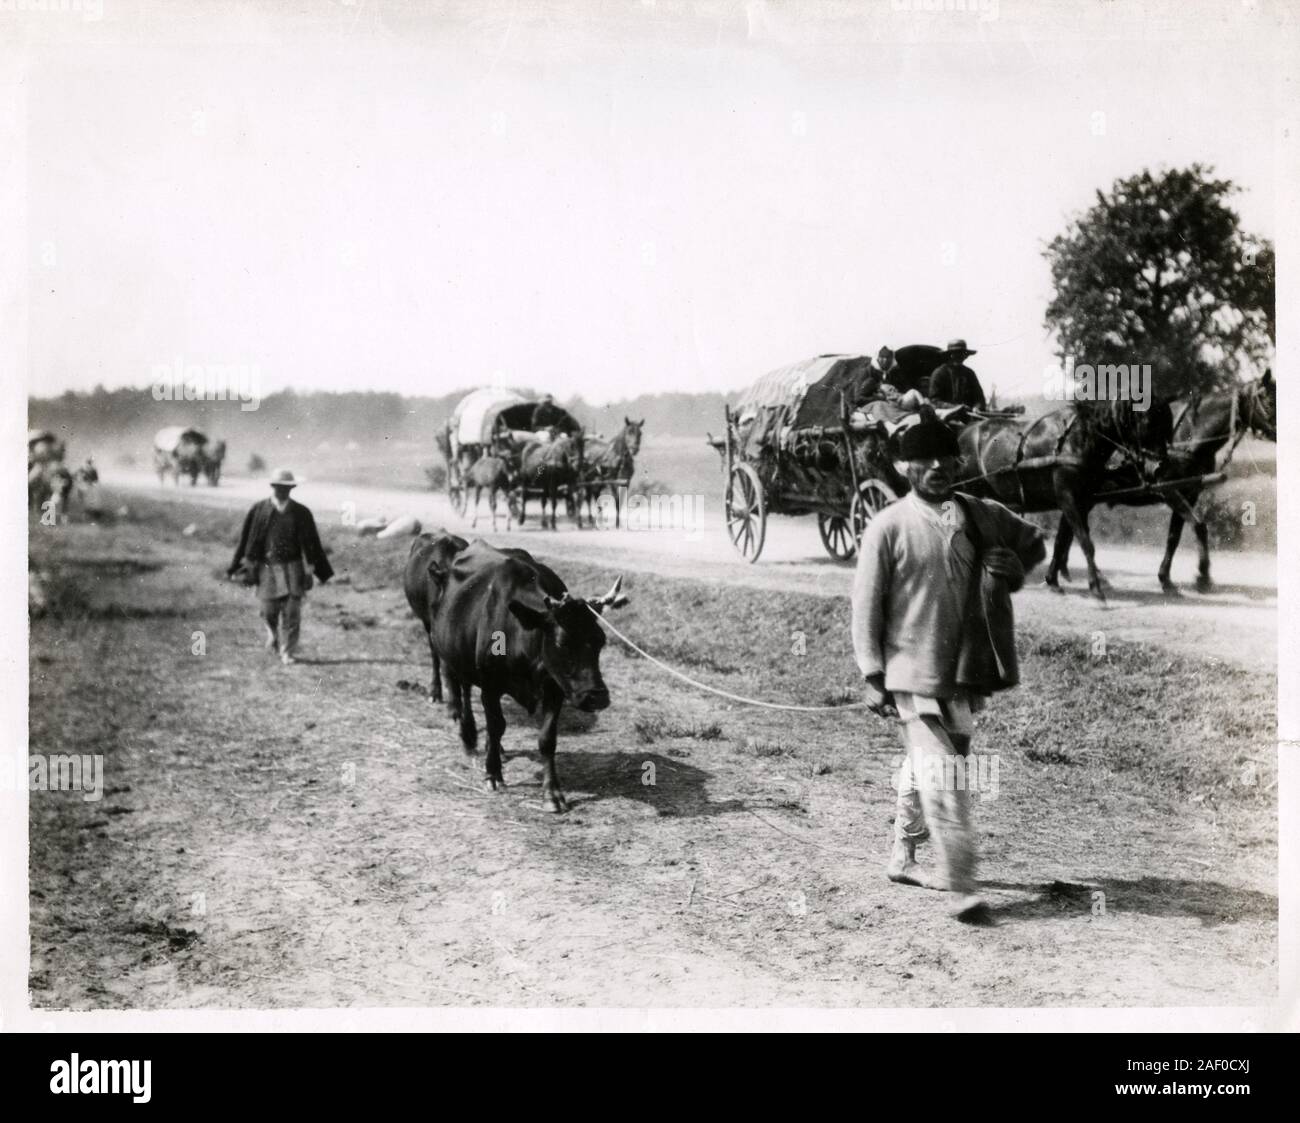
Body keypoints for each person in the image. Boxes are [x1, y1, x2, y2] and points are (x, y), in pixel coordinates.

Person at [850, 417, 1044, 922]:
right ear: (902, 466)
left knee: (933, 764)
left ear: (958, 462)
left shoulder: (979, 514)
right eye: (923, 459)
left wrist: (1014, 571)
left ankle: (903, 855)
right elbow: (865, 607)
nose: (936, 467)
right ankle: (962, 888)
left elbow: (1034, 543)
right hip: (909, 672)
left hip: (962, 670)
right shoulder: (887, 527)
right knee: (946, 775)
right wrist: (872, 675)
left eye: (945, 457)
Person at [228, 469, 334, 665]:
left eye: (287, 488)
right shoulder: (259, 509)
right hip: (267, 568)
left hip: (293, 567)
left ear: (292, 488)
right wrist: (237, 565)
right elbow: (246, 539)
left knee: (292, 611)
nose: (283, 491)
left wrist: (311, 570)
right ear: (272, 487)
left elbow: (312, 544)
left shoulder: (301, 512)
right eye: (279, 487)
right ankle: (273, 633)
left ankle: (288, 651)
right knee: (268, 610)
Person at [928, 338, 987, 409]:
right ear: (950, 355)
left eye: (962, 354)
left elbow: (979, 398)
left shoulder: (969, 373)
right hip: (946, 415)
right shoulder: (939, 373)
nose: (959, 357)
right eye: (956, 354)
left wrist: (977, 407)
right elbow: (934, 401)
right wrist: (956, 408)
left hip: (969, 416)